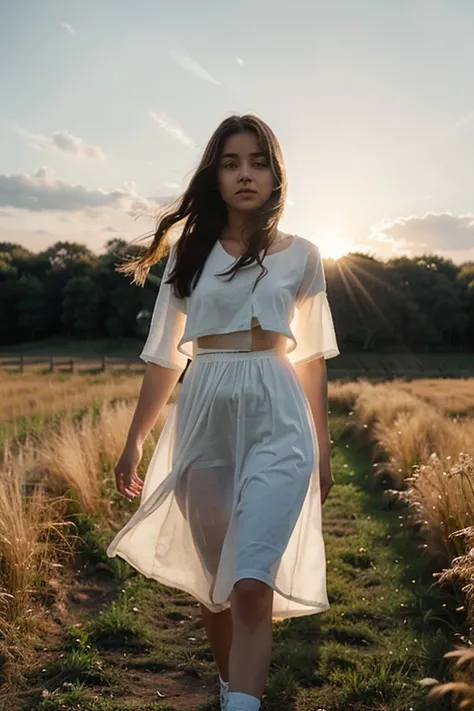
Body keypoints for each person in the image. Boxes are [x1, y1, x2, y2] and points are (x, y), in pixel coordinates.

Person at [107, 113, 340, 711]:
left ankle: (243, 702)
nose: (245, 175)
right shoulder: (189, 255)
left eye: (258, 163)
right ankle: (231, 682)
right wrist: (136, 439)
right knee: (216, 590)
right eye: (232, 163)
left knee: (251, 583)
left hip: (280, 420)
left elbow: (312, 360)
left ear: (275, 175)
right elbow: (163, 357)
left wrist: (324, 446)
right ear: (214, 175)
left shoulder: (304, 256)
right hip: (204, 418)